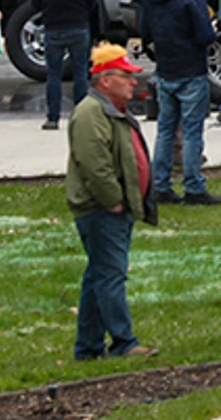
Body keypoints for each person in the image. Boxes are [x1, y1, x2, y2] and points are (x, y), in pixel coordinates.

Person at [65, 44, 158, 360]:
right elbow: (95, 165)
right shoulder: (91, 113)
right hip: (102, 211)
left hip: (112, 210)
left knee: (98, 276)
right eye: (126, 76)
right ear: (105, 80)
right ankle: (124, 342)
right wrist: (114, 201)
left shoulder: (111, 109)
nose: (134, 81)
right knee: (110, 275)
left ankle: (88, 348)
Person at [143, 0, 221, 206]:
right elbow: (204, 36)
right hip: (191, 69)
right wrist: (212, 29)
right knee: (191, 130)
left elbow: (145, 31)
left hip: (166, 68)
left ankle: (160, 185)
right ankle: (193, 186)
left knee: (165, 129)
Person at [32, 0, 104, 130]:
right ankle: (81, 116)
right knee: (81, 73)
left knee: (53, 74)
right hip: (78, 26)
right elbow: (92, 0)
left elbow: (35, 2)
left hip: (53, 27)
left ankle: (52, 117)